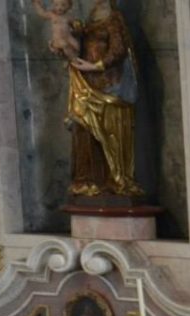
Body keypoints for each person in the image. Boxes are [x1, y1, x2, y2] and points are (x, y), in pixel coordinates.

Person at [64, 0, 142, 198]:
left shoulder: (114, 19)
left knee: (110, 135)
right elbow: (78, 47)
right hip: (87, 86)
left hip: (109, 88)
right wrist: (64, 46)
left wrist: (95, 66)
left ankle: (115, 180)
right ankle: (88, 181)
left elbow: (118, 50)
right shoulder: (91, 17)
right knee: (84, 132)